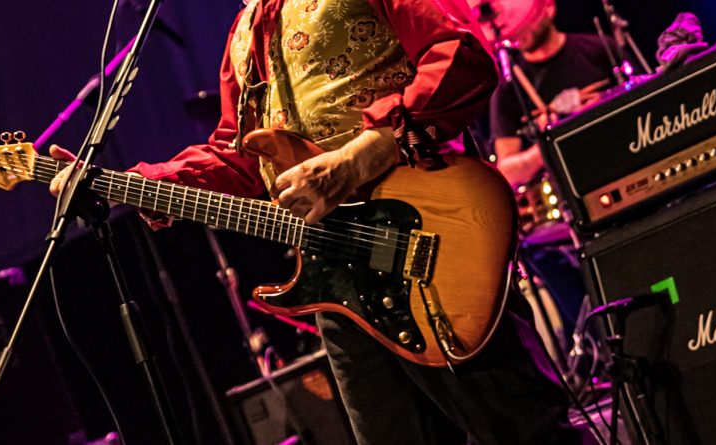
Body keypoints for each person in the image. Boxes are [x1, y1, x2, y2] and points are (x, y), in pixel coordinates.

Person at [50, 0, 593, 443]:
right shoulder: (245, 29)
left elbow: (461, 54)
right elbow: (239, 154)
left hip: (426, 238)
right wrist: (138, 184)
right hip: (340, 279)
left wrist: (360, 156)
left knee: (521, 429)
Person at [488, 0, 624, 349]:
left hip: (617, 179)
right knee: (538, 252)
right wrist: (552, 142)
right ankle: (597, 349)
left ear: (546, 8)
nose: (518, 25)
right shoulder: (509, 90)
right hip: (562, 212)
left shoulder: (599, 49)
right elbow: (506, 169)